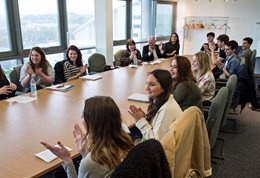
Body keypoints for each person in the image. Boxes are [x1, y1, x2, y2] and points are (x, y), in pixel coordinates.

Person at [41, 96, 133, 178]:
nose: (81, 118)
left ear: (92, 124)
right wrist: (84, 153)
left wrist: (67, 160)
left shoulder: (91, 163)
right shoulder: (127, 144)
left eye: (83, 115)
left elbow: (93, 167)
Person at [128, 69, 182, 142]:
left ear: (164, 87)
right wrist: (144, 118)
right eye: (146, 83)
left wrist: (140, 120)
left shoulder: (167, 109)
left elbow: (155, 142)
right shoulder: (162, 100)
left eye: (152, 84)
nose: (146, 88)